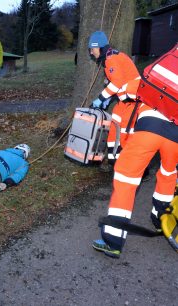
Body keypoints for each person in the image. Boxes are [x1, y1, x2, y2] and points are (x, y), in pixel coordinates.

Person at [89, 34, 178, 257]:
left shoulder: (170, 58)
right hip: (176, 135)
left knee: (125, 178)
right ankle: (162, 219)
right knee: (168, 174)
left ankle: (113, 241)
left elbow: (135, 84)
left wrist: (104, 97)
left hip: (150, 125)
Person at [89, 31, 141, 168]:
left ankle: (137, 169)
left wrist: (101, 98)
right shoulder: (110, 59)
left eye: (92, 49)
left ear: (99, 47)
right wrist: (109, 97)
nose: (91, 53)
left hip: (132, 103)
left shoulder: (111, 59)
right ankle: (115, 162)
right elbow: (119, 82)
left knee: (126, 134)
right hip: (123, 103)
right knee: (113, 130)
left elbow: (117, 82)